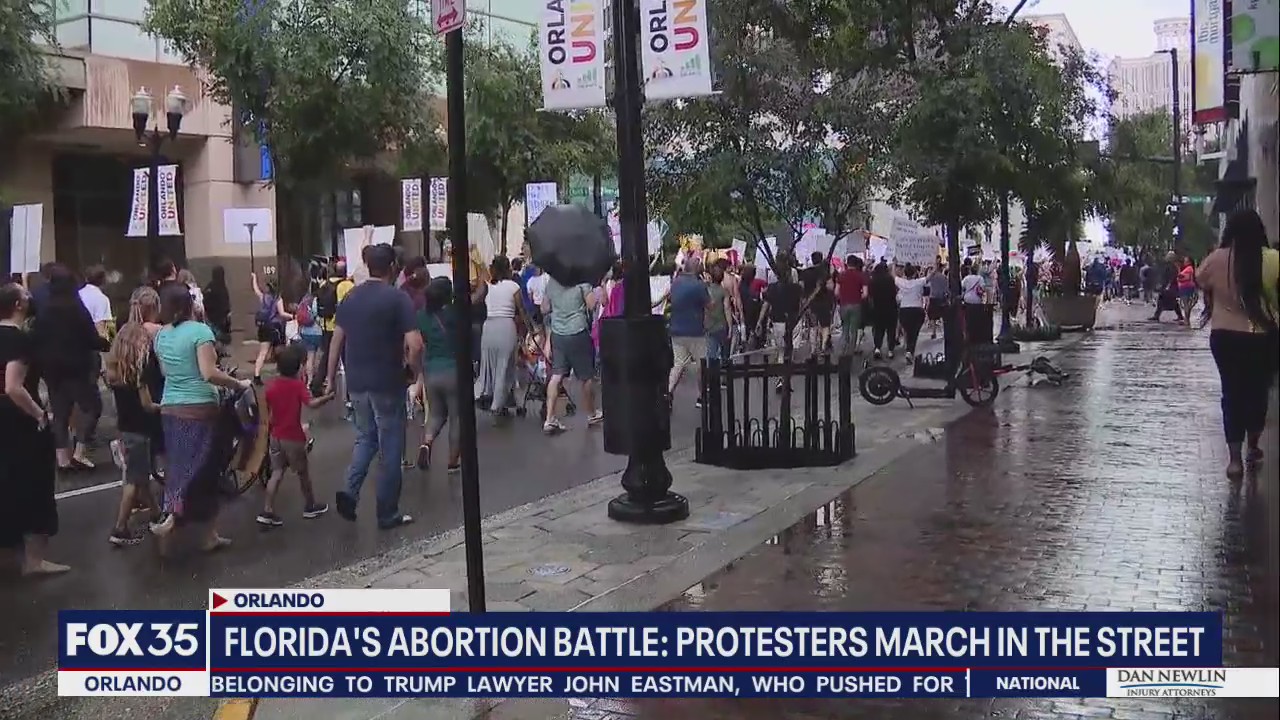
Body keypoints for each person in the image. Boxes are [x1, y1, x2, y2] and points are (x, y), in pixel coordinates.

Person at [325, 243, 422, 530]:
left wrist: (331, 378)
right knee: (391, 445)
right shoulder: (397, 298)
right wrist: (412, 372)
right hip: (387, 381)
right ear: (393, 267)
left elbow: (336, 341)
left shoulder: (351, 297)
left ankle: (350, 491)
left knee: (366, 437)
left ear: (368, 266)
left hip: (356, 382)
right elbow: (415, 344)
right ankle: (387, 512)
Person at [150, 283, 249, 550]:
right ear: (189, 305)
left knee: (179, 465)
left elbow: (165, 371)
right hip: (200, 407)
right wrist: (237, 384)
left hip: (171, 406)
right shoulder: (200, 331)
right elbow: (208, 373)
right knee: (207, 469)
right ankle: (206, 534)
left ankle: (172, 515)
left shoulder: (161, 335)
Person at [1196, 209, 1279, 480]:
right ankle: (1253, 445)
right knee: (1258, 391)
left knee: (1231, 393)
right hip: (1262, 336)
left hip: (1224, 336)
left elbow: (1199, 279)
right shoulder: (1273, 260)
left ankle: (1234, 460)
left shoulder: (1217, 259)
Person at [0, 282, 69, 575]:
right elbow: (14, 387)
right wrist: (40, 415)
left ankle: (7, 554)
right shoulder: (19, 340)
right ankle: (34, 560)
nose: (31, 296)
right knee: (36, 485)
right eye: (25, 294)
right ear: (17, 305)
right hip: (19, 421)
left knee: (5, 483)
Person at [32, 265, 109, 471]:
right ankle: (80, 450)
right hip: (78, 367)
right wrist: (106, 343)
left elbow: (37, 337)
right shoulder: (76, 308)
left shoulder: (45, 310)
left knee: (60, 413)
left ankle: (62, 458)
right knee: (92, 407)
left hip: (53, 370)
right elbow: (92, 338)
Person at [103, 290, 165, 547]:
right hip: (141, 425)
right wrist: (163, 407)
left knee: (140, 475)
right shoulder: (142, 360)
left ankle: (156, 514)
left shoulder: (121, 341)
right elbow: (147, 402)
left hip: (126, 422)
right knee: (134, 479)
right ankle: (119, 528)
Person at [258, 345, 332, 527]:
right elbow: (311, 404)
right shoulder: (297, 386)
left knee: (276, 473)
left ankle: (267, 510)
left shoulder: (271, 386)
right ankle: (310, 506)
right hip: (293, 436)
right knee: (303, 473)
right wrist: (327, 397)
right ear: (298, 367)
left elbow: (266, 412)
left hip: (276, 436)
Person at [542, 270, 602, 434]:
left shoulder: (552, 282)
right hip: (578, 331)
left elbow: (544, 307)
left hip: (558, 334)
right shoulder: (581, 280)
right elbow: (592, 304)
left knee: (557, 375)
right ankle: (591, 413)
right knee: (586, 376)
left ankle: (549, 418)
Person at [414, 277, 463, 471]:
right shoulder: (454, 313)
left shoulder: (421, 316)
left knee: (435, 414)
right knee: (456, 417)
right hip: (453, 369)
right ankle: (452, 461)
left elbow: (419, 344)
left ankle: (426, 443)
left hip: (431, 371)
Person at [474, 256, 526, 417]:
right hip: (506, 326)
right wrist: (530, 328)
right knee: (505, 366)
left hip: (489, 326)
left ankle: (480, 393)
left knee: (488, 365)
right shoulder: (514, 286)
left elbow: (474, 300)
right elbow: (521, 311)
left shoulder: (488, 286)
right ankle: (498, 402)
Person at [667, 255, 710, 404]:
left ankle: (668, 392)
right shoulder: (699, 285)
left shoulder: (676, 283)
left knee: (679, 364)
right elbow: (709, 305)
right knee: (701, 365)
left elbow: (672, 300)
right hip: (695, 331)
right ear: (697, 268)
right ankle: (701, 396)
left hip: (676, 330)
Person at [314, 261, 354, 395]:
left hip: (326, 326)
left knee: (327, 357)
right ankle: (350, 392)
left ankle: (316, 385)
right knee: (347, 359)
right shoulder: (347, 285)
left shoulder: (325, 284)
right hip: (342, 327)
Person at [800, 251, 834, 353]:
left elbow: (801, 287)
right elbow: (830, 287)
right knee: (825, 325)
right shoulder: (824, 272)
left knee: (812, 326)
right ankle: (823, 346)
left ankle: (813, 349)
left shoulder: (805, 272)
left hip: (810, 303)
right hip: (824, 301)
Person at [895, 264, 929, 363]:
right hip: (917, 310)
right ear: (915, 273)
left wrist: (894, 263)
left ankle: (908, 349)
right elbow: (931, 275)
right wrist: (934, 264)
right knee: (914, 333)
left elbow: (893, 275)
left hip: (904, 310)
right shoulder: (919, 282)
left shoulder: (901, 282)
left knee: (907, 331)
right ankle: (910, 351)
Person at [866, 262, 899, 360]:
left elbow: (870, 295)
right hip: (890, 308)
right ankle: (890, 350)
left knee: (878, 329)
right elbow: (894, 293)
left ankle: (877, 348)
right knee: (891, 330)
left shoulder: (873, 280)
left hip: (877, 308)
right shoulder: (890, 279)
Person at [835, 256, 866, 356]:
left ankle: (842, 350)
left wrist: (843, 297)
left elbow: (836, 292)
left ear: (847, 263)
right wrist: (857, 297)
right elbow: (865, 294)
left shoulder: (841, 275)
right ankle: (851, 352)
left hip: (844, 305)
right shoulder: (860, 276)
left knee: (845, 328)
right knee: (854, 330)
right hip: (856, 305)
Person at [705, 262, 735, 365]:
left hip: (709, 326)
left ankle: (713, 377)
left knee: (712, 354)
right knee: (724, 355)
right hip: (722, 325)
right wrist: (730, 327)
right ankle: (725, 377)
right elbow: (727, 309)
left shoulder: (706, 290)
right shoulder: (724, 292)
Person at [79, 265, 115, 339]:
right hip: (92, 343)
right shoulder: (102, 299)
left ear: (86, 278)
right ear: (104, 281)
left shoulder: (77, 294)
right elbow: (103, 327)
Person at [202, 266, 232, 345]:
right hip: (218, 316)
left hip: (213, 315)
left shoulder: (210, 287)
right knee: (220, 334)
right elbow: (225, 301)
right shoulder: (220, 286)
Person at [926, 262, 950, 339]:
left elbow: (926, 281)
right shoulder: (944, 277)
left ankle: (934, 332)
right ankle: (944, 333)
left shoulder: (932, 277)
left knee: (932, 316)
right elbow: (947, 289)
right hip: (942, 298)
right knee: (943, 316)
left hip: (933, 298)